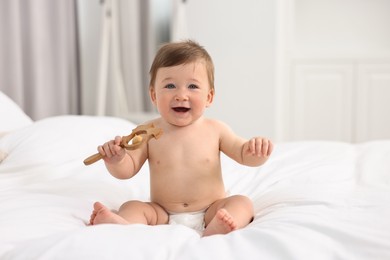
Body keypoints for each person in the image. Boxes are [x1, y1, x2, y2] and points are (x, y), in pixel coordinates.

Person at [89, 40, 273, 236]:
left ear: (209, 97)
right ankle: (121, 223)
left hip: (211, 210)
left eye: (192, 86)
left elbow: (244, 155)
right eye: (170, 85)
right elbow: (128, 169)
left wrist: (257, 151)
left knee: (242, 203)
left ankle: (218, 227)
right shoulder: (148, 131)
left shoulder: (216, 129)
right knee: (132, 206)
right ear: (154, 95)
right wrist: (117, 160)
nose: (181, 95)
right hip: (162, 213)